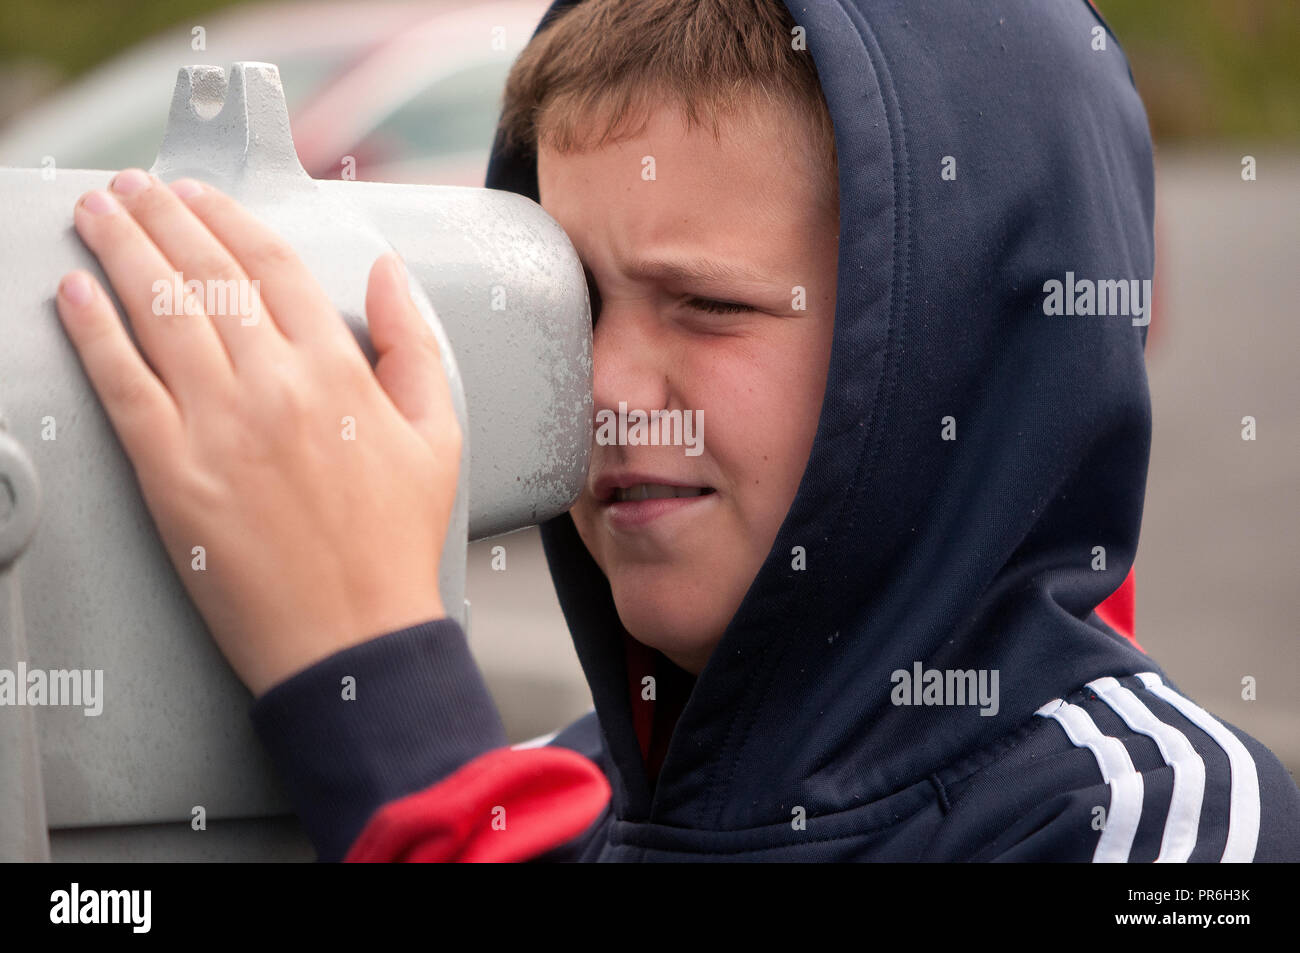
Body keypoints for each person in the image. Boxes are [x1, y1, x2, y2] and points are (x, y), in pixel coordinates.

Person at [54, 0, 1300, 861]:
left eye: (708, 305)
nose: (603, 382)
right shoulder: (562, 791)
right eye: (569, 298)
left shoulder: (1158, 817)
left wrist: (390, 717)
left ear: (958, 341)